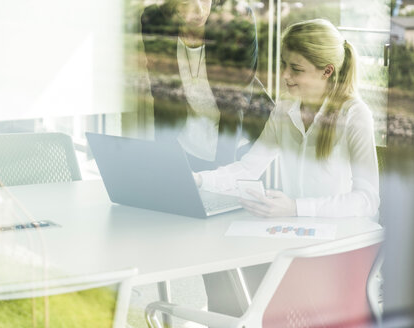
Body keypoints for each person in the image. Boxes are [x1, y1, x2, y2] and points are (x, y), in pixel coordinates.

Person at [195, 19, 380, 219]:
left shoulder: (355, 115)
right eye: (283, 64)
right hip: (296, 232)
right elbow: (248, 169)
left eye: (296, 69)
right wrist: (198, 180)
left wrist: (295, 208)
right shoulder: (283, 111)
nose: (284, 74)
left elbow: (367, 200)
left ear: (327, 71)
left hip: (343, 234)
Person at [141, 0, 272, 171]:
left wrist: (224, 173)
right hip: (187, 145)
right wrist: (163, 157)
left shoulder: (237, 19)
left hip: (238, 146)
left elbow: (235, 101)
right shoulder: (155, 21)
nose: (199, 10)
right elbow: (161, 95)